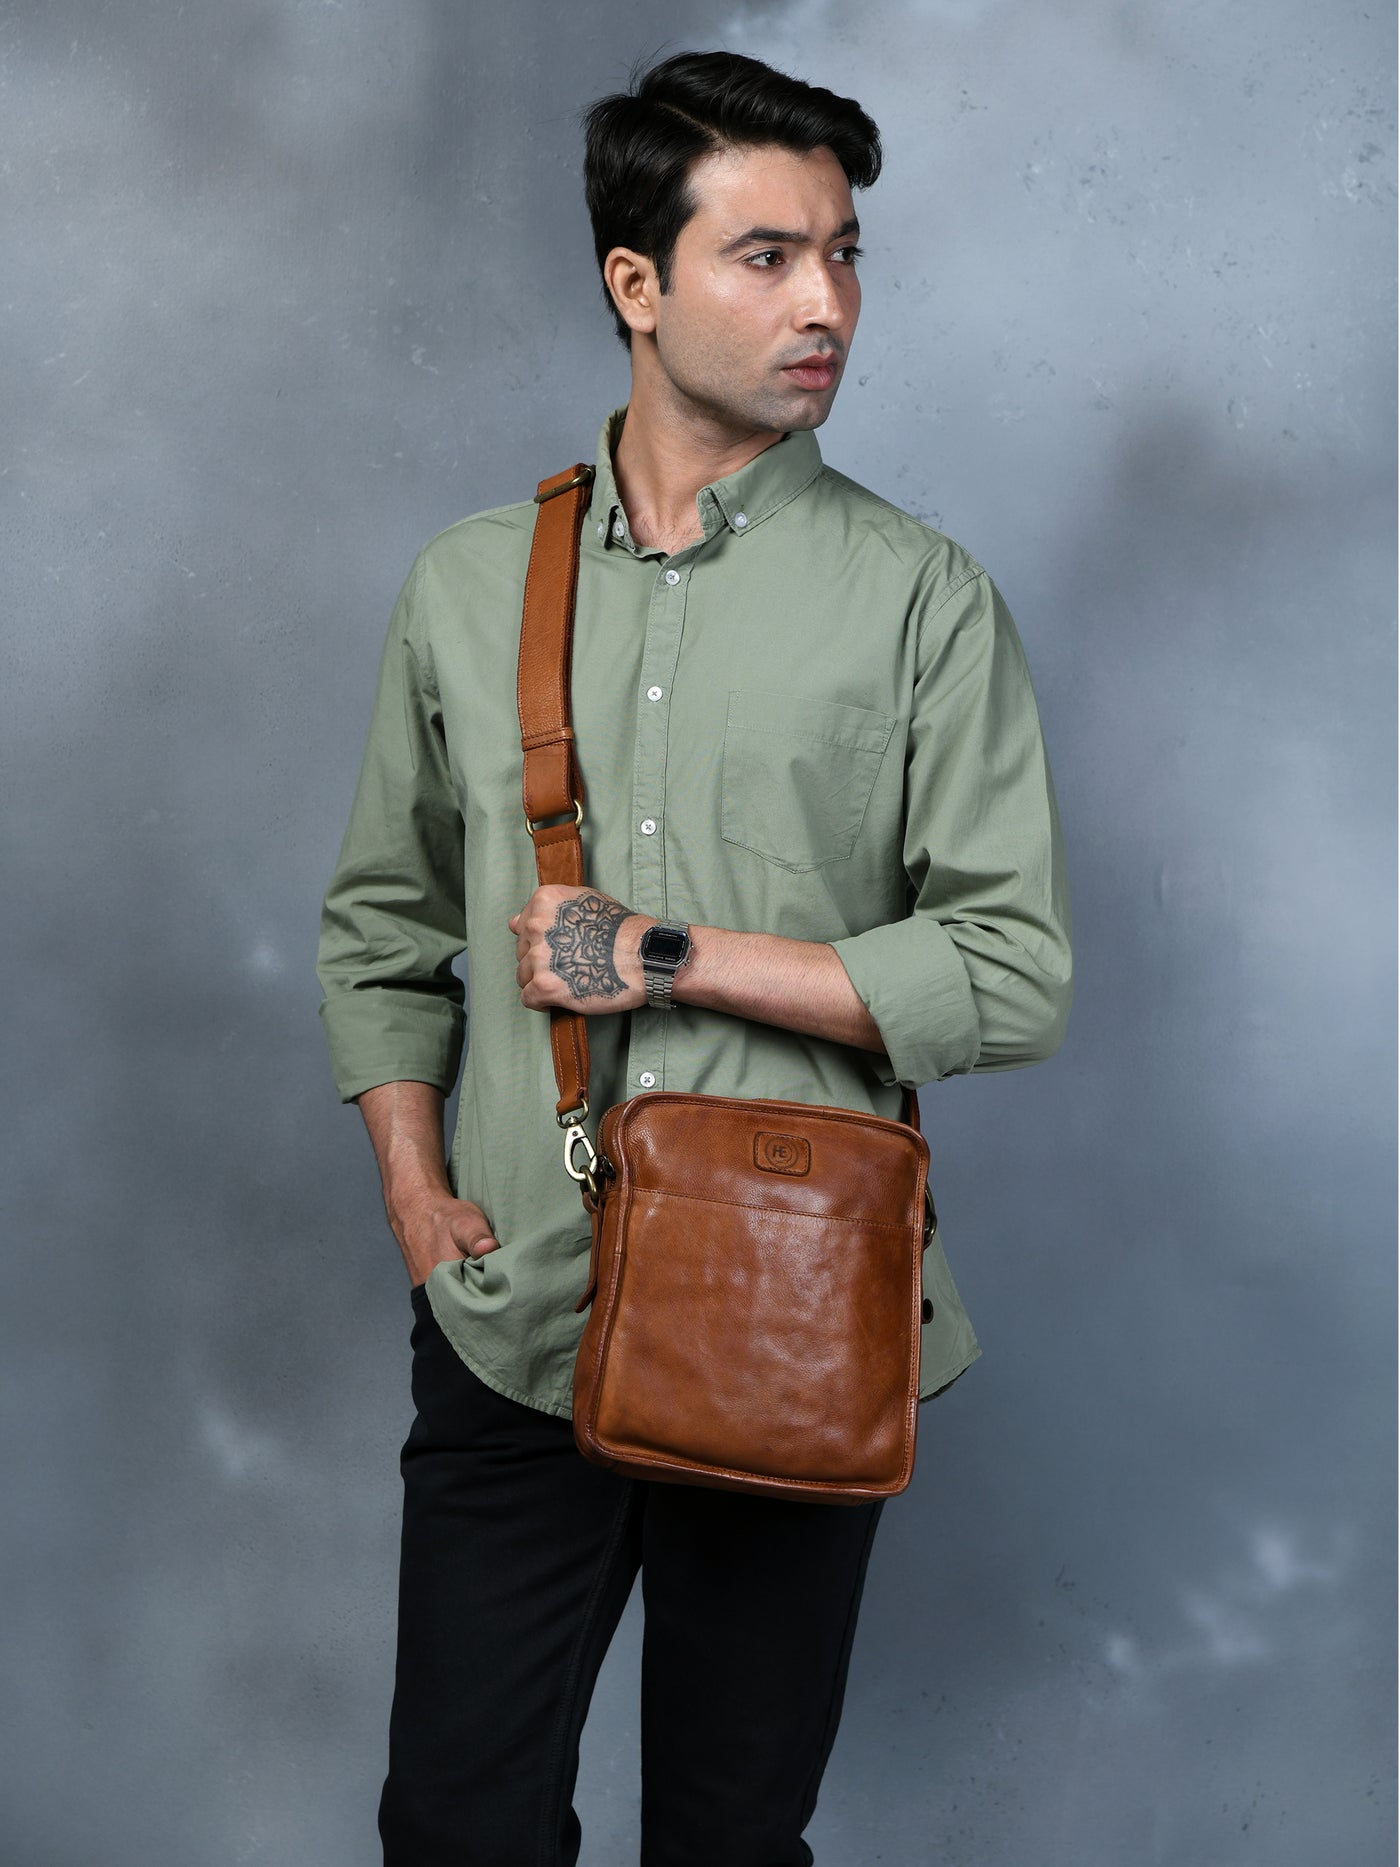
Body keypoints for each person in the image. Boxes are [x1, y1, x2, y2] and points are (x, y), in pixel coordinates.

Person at [317, 48, 1072, 1867]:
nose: (828, 305)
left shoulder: (923, 599)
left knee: (732, 1841)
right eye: (767, 256)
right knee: (458, 1828)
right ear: (635, 284)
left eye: (844, 253)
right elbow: (383, 931)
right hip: (515, 1314)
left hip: (797, 1316)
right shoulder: (469, 583)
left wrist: (662, 955)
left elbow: (1012, 973)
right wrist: (416, 1195)